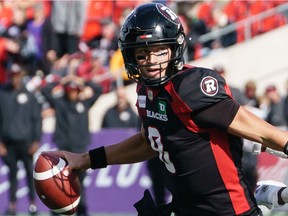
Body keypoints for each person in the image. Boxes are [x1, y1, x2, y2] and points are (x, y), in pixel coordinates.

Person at [43, 3, 288, 215]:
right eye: (142, 53)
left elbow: (265, 133)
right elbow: (149, 142)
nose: (152, 61)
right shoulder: (145, 92)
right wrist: (86, 160)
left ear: (174, 49)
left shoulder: (192, 88)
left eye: (160, 51)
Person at [41, 74, 102, 216]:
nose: (72, 93)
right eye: (70, 90)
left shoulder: (85, 103)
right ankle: (56, 210)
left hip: (80, 151)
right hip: (63, 151)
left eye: (75, 90)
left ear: (79, 91)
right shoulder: (60, 103)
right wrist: (62, 80)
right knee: (58, 182)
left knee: (80, 183)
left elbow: (98, 89)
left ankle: (82, 210)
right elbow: (45, 91)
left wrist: (83, 80)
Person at [0, 63, 42, 216]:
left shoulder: (30, 95)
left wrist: (36, 140)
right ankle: (12, 205)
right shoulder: (2, 94)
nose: (15, 79)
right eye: (13, 75)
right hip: (8, 143)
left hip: (26, 143)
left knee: (29, 173)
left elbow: (36, 119)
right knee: (12, 174)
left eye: (17, 75)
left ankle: (32, 204)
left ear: (21, 76)